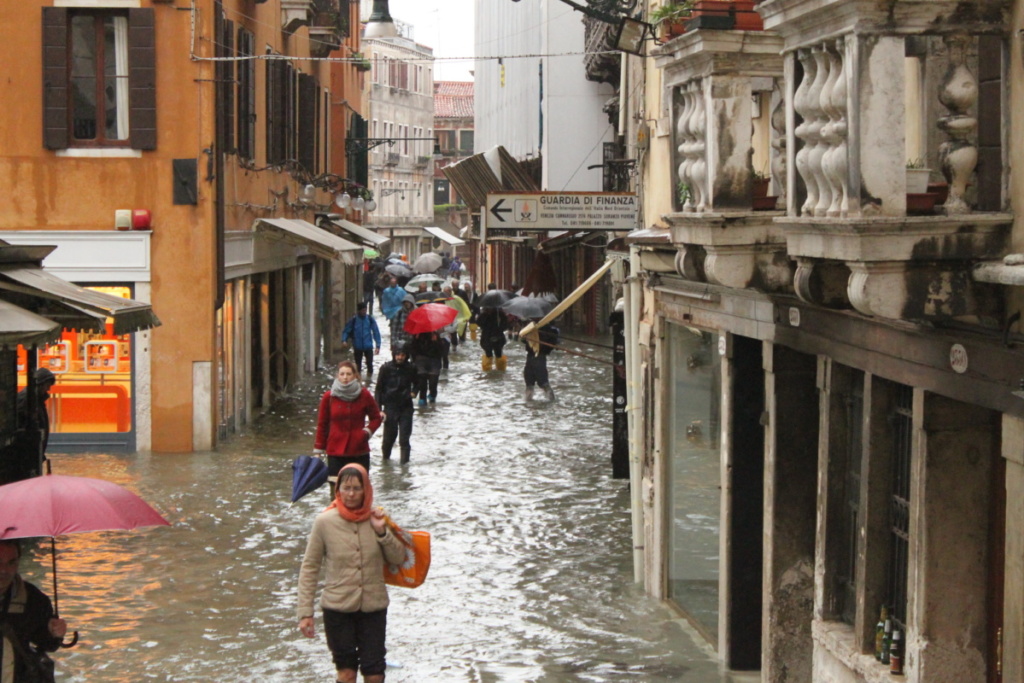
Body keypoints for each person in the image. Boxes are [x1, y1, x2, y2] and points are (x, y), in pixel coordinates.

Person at [296, 465, 406, 683]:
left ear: (366, 490)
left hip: (373, 607)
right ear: (338, 490)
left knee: (375, 673)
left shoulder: (378, 518)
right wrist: (305, 613)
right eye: (346, 488)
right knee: (346, 673)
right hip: (338, 609)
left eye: (357, 488)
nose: (352, 494)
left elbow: (398, 558)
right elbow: (310, 567)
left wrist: (382, 531)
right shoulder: (324, 522)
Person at [0, 539, 67, 682]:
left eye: (11, 563)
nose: (4, 570)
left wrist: (54, 633)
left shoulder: (34, 599)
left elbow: (47, 644)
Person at [314, 362, 382, 494]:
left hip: (359, 449)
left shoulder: (364, 395)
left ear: (355, 375)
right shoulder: (329, 397)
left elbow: (376, 418)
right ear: (337, 376)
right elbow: (322, 424)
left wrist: (367, 432)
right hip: (335, 451)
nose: (345, 377)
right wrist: (318, 450)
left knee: (358, 491)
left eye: (349, 374)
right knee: (336, 492)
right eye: (342, 374)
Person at [374, 345, 417, 464]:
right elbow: (378, 389)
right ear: (394, 355)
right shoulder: (386, 368)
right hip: (390, 407)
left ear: (406, 356)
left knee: (404, 439)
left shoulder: (411, 368)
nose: (400, 357)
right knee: (388, 440)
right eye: (398, 355)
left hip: (406, 407)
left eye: (402, 355)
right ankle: (385, 461)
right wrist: (379, 409)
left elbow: (418, 383)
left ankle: (404, 466)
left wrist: (414, 392)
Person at [342, 302, 382, 382]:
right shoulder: (354, 320)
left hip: (368, 346)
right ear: (359, 311)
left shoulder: (370, 319)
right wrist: (344, 340)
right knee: (358, 366)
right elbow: (346, 331)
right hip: (357, 346)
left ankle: (369, 380)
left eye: (365, 310)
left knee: (370, 365)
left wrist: (378, 345)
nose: (364, 312)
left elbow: (376, 332)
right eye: (363, 310)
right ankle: (358, 381)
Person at [523, 319, 559, 401]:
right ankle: (528, 401)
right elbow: (524, 340)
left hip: (540, 357)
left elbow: (551, 343)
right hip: (530, 356)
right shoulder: (530, 327)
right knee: (529, 382)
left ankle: (552, 400)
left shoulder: (547, 328)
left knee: (543, 383)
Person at [408, 331, 443, 407]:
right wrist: (416, 340)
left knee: (433, 381)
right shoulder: (417, 335)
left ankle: (432, 395)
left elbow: (441, 352)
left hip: (434, 361)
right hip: (420, 361)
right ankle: (422, 398)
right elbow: (412, 349)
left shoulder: (435, 335)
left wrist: (435, 342)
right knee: (422, 379)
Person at [476, 306, 509, 372]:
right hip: (489, 337)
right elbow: (479, 323)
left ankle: (498, 370)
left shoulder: (499, 314)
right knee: (491, 354)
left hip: (494, 337)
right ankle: (491, 371)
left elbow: (506, 325)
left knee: (497, 354)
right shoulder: (485, 314)